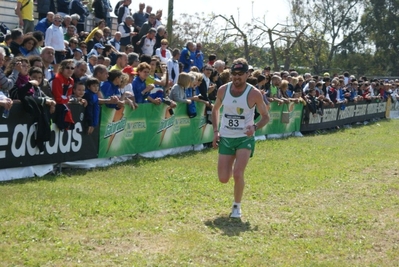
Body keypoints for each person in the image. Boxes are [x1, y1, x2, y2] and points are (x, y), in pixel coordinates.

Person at [211, 58, 270, 218]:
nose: (237, 77)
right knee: (223, 178)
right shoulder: (223, 90)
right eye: (234, 74)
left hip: (244, 138)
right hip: (226, 138)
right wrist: (216, 131)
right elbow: (215, 110)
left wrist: (255, 127)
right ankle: (231, 167)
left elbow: (266, 116)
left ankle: (237, 206)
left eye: (240, 74)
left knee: (238, 173)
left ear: (247, 74)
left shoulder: (254, 93)